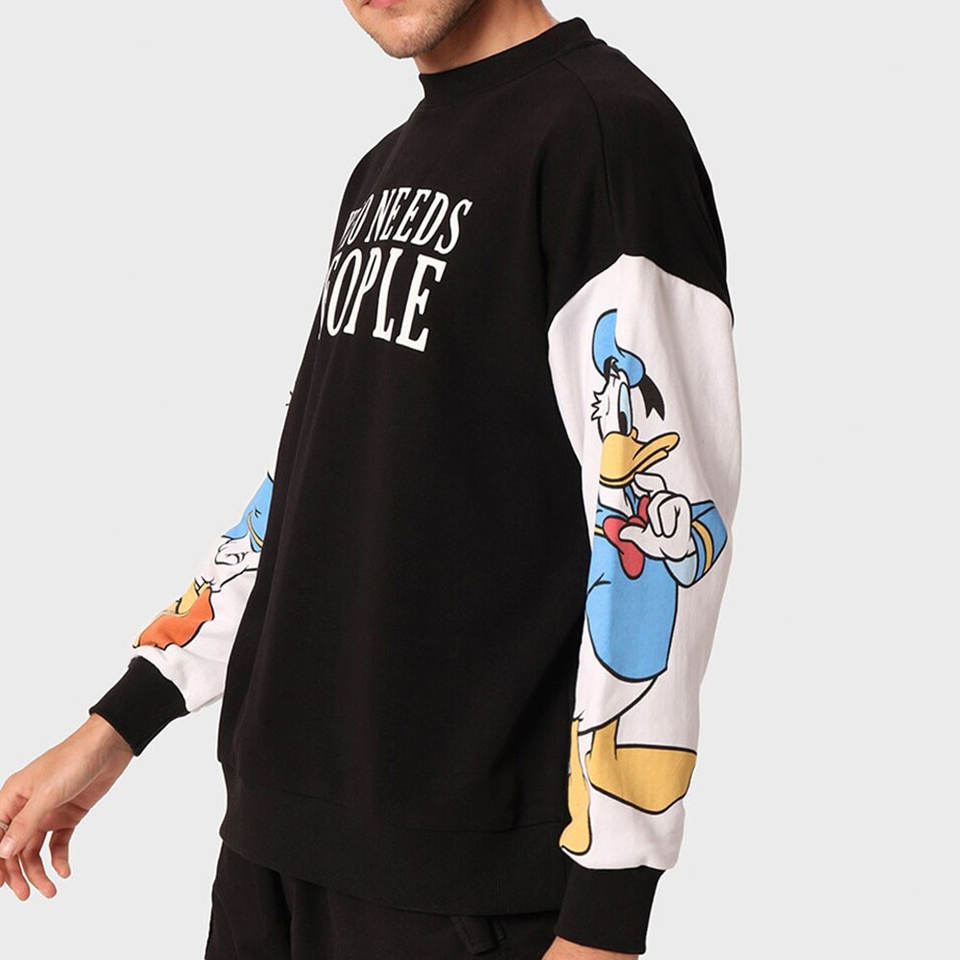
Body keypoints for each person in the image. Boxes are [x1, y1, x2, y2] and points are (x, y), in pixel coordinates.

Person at [0, 3, 741, 957]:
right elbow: (309, 487)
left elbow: (660, 512)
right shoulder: (381, 171)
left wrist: (609, 911)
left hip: (454, 886)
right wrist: (118, 725)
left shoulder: (605, 137)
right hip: (271, 850)